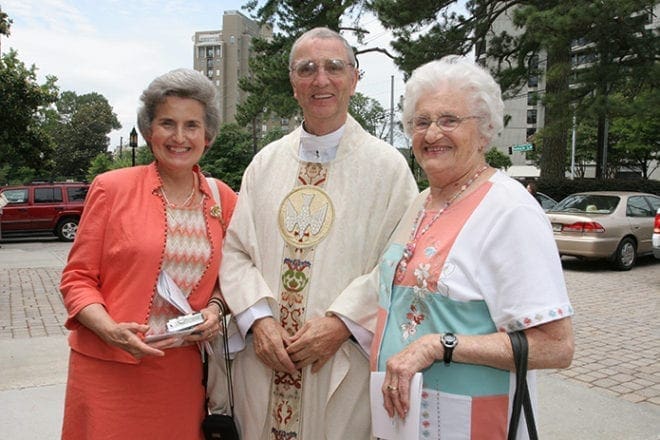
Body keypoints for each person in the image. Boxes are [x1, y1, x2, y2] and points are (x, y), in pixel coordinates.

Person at [219, 27, 418, 440]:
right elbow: (236, 252)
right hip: (265, 360)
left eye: (334, 67)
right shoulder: (265, 163)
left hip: (342, 362)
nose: (321, 80)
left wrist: (343, 322)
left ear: (355, 78)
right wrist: (257, 322)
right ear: (294, 84)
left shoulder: (388, 168)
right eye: (307, 69)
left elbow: (401, 260)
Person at [371, 56, 574, 439]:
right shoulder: (420, 202)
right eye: (421, 122)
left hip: (468, 426)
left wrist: (439, 345)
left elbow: (556, 346)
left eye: (449, 120)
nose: (432, 134)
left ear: (484, 131)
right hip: (404, 422)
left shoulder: (509, 210)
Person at [59, 68, 238, 439]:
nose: (179, 137)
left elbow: (234, 280)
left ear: (208, 136)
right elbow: (77, 279)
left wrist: (214, 311)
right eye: (167, 123)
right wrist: (109, 329)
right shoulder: (112, 188)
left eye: (191, 125)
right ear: (147, 131)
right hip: (107, 367)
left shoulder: (223, 200)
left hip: (181, 373)